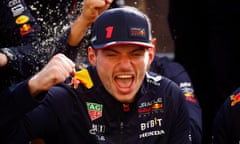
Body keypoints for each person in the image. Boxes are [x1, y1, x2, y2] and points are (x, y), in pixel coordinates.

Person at [0, 7, 191, 144]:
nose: (125, 65)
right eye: (112, 54)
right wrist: (32, 87)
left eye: (135, 53)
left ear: (150, 55)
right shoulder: (68, 97)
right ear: (92, 56)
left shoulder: (168, 96)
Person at [150, 55, 202, 144]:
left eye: (135, 53)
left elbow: (193, 133)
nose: (125, 65)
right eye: (116, 54)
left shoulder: (171, 72)